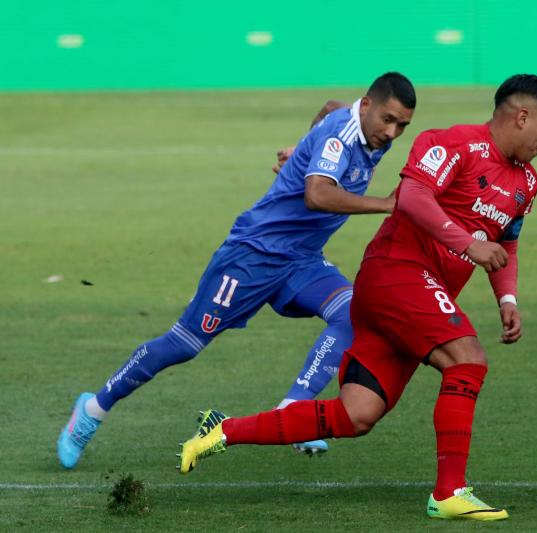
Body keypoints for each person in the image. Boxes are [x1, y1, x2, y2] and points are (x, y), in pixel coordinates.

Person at [177, 74, 537, 521]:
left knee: (356, 415)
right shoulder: (453, 144)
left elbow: (507, 243)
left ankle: (221, 432)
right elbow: (413, 198)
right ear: (522, 116)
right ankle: (449, 492)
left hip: (412, 297)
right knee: (467, 359)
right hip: (396, 274)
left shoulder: (526, 183)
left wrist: (508, 299)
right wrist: (467, 244)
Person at [56, 72, 416, 469]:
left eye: (402, 124)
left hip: (301, 260)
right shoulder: (342, 137)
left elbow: (331, 107)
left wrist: (302, 151)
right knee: (183, 344)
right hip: (252, 256)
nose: (393, 131)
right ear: (366, 105)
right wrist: (384, 203)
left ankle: (294, 408)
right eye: (388, 119)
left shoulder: (363, 131)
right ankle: (92, 408)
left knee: (354, 313)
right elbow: (316, 194)